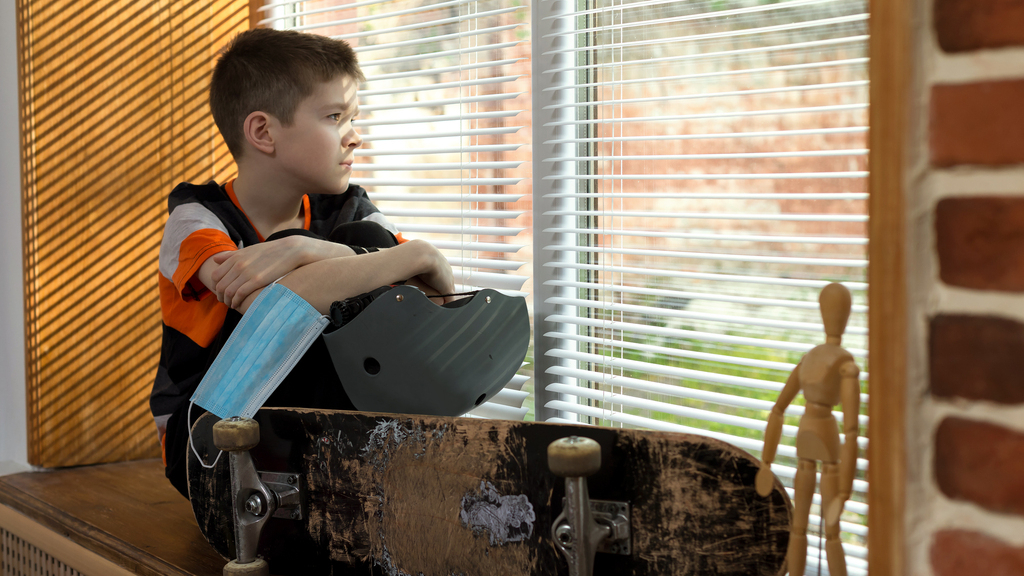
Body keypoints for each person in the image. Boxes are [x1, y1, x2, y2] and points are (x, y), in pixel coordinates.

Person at [150, 28, 455, 498]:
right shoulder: (196, 219)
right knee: (369, 257)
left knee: (367, 241)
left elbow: (436, 298)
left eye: (353, 118)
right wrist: (412, 256)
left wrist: (310, 251)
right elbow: (270, 310)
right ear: (263, 132)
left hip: (315, 426)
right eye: (335, 117)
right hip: (208, 439)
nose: (355, 137)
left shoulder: (348, 210)